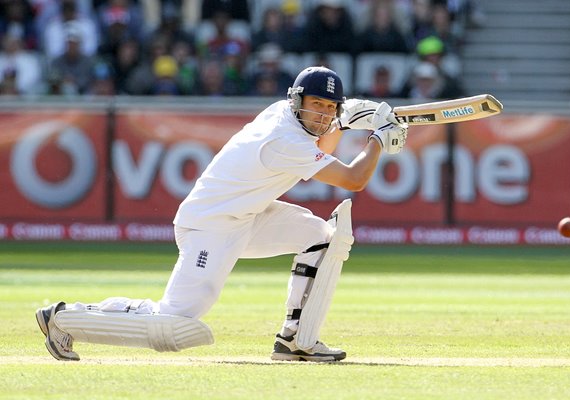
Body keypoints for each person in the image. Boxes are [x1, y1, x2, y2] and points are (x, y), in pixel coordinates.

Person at [35, 66, 409, 362]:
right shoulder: (283, 139)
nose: (321, 113)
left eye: (330, 108)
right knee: (176, 320)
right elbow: (353, 179)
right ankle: (64, 317)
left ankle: (295, 339)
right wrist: (378, 138)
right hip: (211, 226)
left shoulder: (282, 114)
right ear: (296, 101)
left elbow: (323, 149)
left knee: (321, 236)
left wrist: (343, 124)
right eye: (316, 104)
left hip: (247, 217)